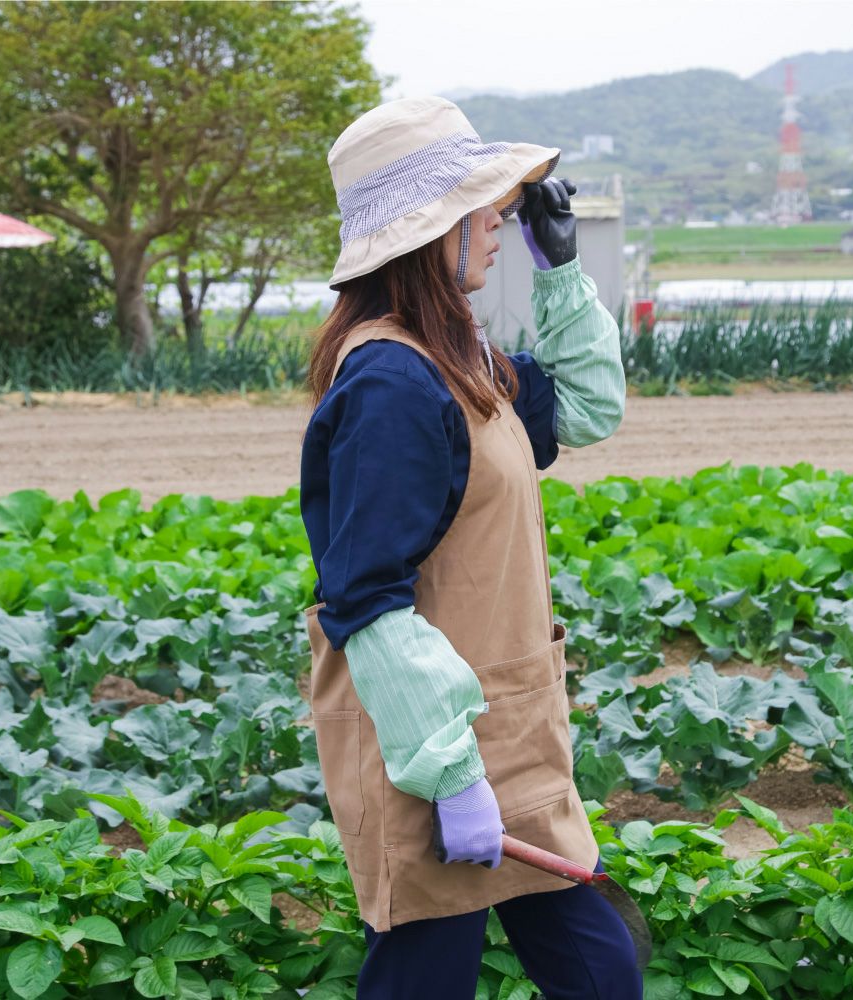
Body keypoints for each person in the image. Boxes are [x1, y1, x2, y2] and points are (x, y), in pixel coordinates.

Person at [300, 96, 641, 1000]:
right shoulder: (391, 383)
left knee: (603, 976)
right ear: (427, 232)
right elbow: (366, 598)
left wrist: (560, 271)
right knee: (427, 981)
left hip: (511, 731)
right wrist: (451, 777)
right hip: (431, 747)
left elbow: (587, 412)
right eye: (480, 205)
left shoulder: (462, 360)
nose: (498, 220)